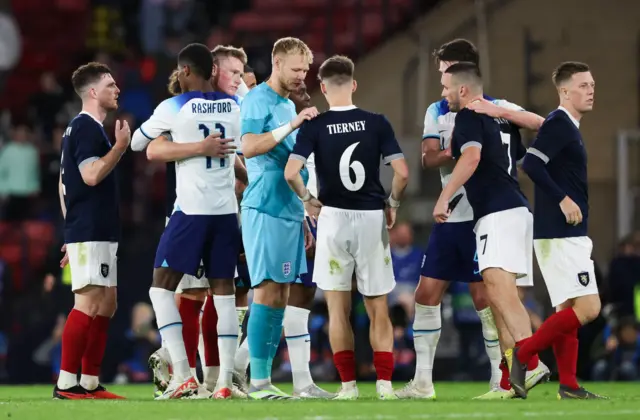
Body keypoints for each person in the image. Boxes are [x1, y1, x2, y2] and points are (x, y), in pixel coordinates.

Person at [398, 38, 549, 401]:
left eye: (444, 75)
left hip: (485, 213)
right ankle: (423, 381)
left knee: (493, 298)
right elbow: (430, 158)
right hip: (476, 215)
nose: (440, 84)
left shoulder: (487, 109)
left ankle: (508, 374)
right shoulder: (441, 111)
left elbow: (479, 155)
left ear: (460, 76)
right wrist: (461, 145)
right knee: (430, 293)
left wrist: (446, 191)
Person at [285, 55, 409, 400]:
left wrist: (308, 198)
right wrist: (392, 204)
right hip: (371, 218)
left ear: (322, 88)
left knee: (338, 308)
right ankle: (384, 385)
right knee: (377, 306)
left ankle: (348, 387)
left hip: (333, 219)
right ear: (354, 85)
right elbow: (402, 172)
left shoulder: (314, 126)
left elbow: (290, 173)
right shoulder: (377, 122)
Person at [131, 43, 243, 400]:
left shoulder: (173, 106)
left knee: (160, 289)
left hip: (191, 212)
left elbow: (138, 144)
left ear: (183, 71)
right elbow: (240, 156)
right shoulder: (235, 107)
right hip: (227, 212)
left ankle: (183, 373)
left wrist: (188, 143)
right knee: (224, 297)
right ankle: (224, 382)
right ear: (213, 71)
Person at [432, 62, 535, 397]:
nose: (443, 93)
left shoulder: (468, 117)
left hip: (498, 212)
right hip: (516, 209)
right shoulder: (501, 115)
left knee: (500, 293)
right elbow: (521, 151)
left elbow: (472, 158)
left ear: (463, 89)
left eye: (446, 86)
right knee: (501, 296)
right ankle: (513, 380)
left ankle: (530, 362)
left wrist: (445, 196)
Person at [233, 82, 334, 399]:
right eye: (298, 85)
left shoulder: (307, 125)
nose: (305, 89)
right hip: (283, 213)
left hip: (303, 215)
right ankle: (239, 369)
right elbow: (250, 160)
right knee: (274, 293)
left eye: (307, 85)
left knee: (298, 295)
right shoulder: (275, 124)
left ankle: (298, 382)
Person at [517, 61, 605, 399]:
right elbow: (532, 164)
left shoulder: (568, 126)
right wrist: (564, 199)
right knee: (589, 309)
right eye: (583, 85)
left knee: (567, 310)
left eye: (592, 84)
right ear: (564, 91)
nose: (591, 90)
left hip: (561, 234)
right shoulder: (559, 123)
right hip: (561, 234)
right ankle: (524, 356)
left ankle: (568, 385)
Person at [239, 36, 317, 400]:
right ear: (277, 62)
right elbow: (249, 145)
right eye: (296, 68)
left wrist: (302, 214)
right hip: (264, 204)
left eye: (306, 69)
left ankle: (264, 379)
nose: (302, 75)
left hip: (288, 209)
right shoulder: (258, 99)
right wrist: (294, 125)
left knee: (281, 294)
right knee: (266, 292)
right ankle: (256, 381)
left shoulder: (286, 104)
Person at [54, 62, 128, 400]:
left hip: (92, 229)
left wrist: (70, 233)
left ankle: (89, 382)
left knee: (107, 302)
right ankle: (67, 383)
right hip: (90, 229)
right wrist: (120, 148)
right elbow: (90, 176)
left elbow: (62, 184)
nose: (117, 89)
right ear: (94, 92)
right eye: (110, 84)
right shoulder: (84, 127)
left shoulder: (84, 129)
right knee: (87, 302)